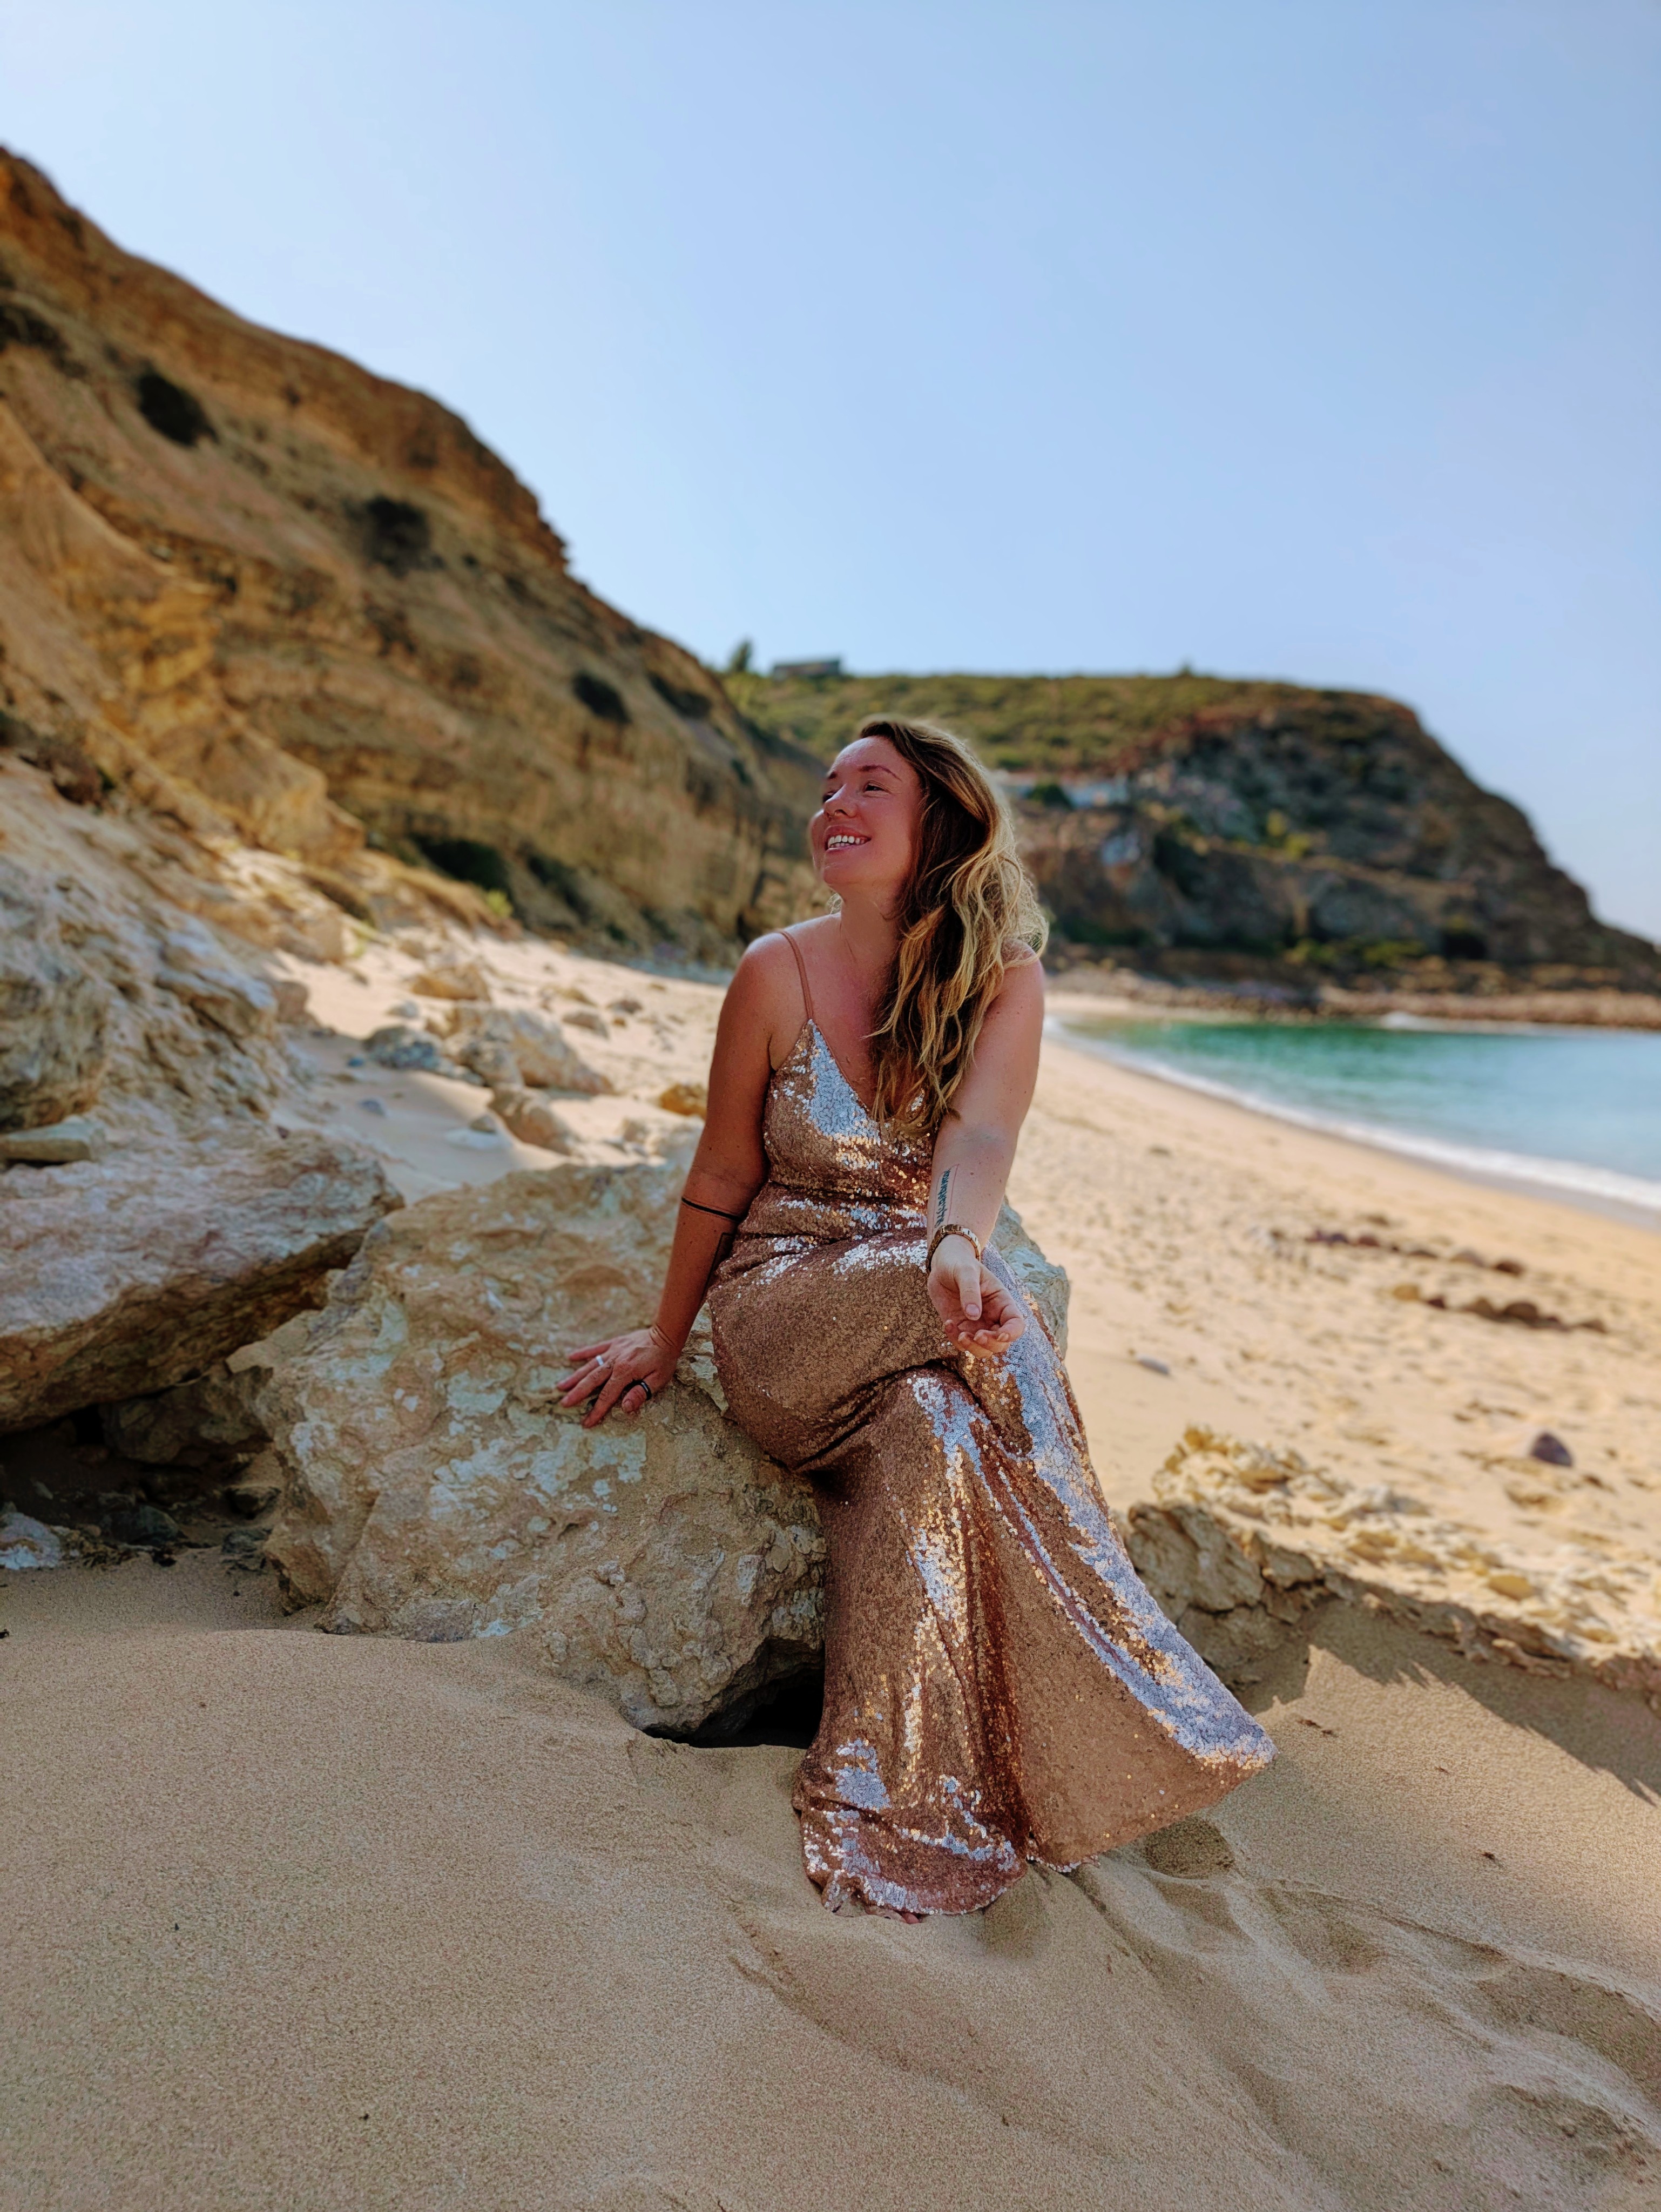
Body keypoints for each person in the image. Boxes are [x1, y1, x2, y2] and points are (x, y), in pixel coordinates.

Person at [560, 714, 1273, 1918]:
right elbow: (723, 1170)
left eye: (868, 783)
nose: (831, 802)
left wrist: (952, 1244)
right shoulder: (773, 969)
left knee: (938, 1435)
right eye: (827, 784)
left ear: (937, 818)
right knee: (1010, 1316)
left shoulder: (1003, 977)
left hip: (912, 1311)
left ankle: (900, 1802)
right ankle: (1141, 1686)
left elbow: (979, 1136)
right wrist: (667, 1335)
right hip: (783, 1314)